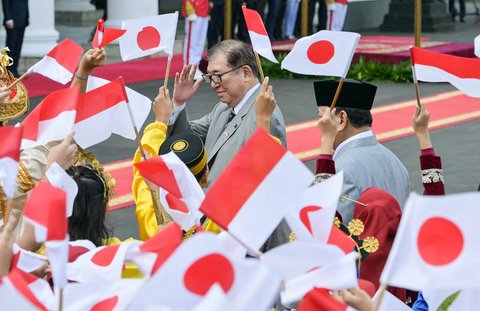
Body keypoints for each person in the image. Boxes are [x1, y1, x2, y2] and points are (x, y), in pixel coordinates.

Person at [314, 79, 410, 223]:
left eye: (322, 118)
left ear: (341, 119)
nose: (318, 125)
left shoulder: (341, 170)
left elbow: (325, 227)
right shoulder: (396, 163)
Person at [132, 86, 209, 240]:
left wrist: (160, 121)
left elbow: (143, 167)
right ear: (205, 176)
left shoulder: (151, 213)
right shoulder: (215, 227)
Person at [2, 0, 29, 77]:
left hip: (22, 20)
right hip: (12, 20)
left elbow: (25, 2)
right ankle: (8, 72)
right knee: (11, 47)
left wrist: (27, 17)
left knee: (18, 47)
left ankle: (14, 70)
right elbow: (5, 3)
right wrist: (8, 18)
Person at [183, 0, 209, 78]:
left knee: (200, 42)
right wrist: (189, 9)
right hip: (194, 9)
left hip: (203, 10)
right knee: (192, 42)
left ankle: (196, 66)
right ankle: (189, 68)